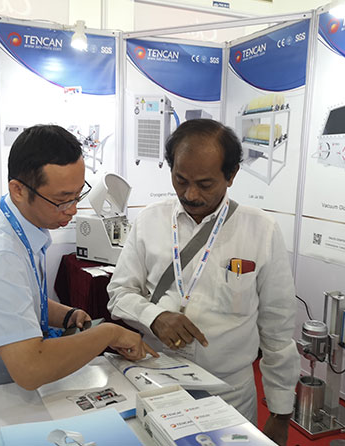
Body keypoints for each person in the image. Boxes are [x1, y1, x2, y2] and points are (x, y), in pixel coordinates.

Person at [107, 119, 299, 446]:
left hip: (229, 393)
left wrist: (281, 414)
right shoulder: (150, 220)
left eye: (205, 184)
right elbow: (118, 293)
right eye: (180, 180)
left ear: (231, 175)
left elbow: (277, 328)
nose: (190, 194)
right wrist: (154, 316)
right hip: (155, 383)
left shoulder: (261, 231)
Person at [0, 124, 156, 392]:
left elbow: (17, 296)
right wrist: (109, 333)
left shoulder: (15, 218)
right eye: (62, 199)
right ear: (18, 190)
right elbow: (30, 369)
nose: (72, 210)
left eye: (78, 195)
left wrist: (65, 315)